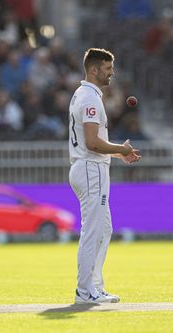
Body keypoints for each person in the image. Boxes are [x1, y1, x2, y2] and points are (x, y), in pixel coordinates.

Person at [68, 48, 141, 304]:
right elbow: (92, 143)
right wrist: (120, 149)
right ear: (94, 69)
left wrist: (118, 154)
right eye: (108, 69)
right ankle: (84, 290)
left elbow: (95, 143)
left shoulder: (86, 94)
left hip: (91, 167)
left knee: (104, 229)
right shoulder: (89, 98)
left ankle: (95, 287)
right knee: (93, 230)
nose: (112, 73)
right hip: (90, 168)